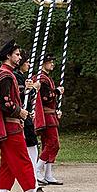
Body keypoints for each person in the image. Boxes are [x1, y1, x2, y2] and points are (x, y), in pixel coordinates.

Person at [0, 39, 57, 192]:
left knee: (7, 166)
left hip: (10, 125)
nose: (19, 58)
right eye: (17, 55)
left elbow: (9, 97)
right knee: (24, 162)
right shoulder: (5, 75)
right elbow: (5, 103)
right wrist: (21, 113)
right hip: (11, 126)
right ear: (8, 56)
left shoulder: (3, 74)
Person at [35, 54, 64, 185]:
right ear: (43, 63)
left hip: (50, 114)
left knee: (50, 144)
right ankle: (37, 168)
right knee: (53, 143)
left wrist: (56, 109)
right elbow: (46, 97)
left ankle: (48, 173)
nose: (52, 64)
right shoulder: (42, 79)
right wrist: (57, 91)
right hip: (46, 116)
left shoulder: (47, 78)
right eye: (50, 62)